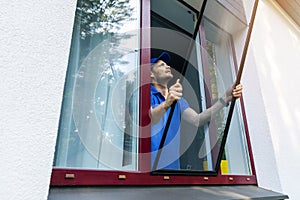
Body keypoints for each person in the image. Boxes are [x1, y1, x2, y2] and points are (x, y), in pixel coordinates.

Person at [150, 52, 243, 170]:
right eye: (161, 65)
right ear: (151, 74)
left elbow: (197, 120)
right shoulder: (145, 95)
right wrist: (167, 102)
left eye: (167, 64)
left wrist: (225, 98)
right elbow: (151, 118)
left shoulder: (178, 100)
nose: (167, 66)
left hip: (172, 168)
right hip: (150, 168)